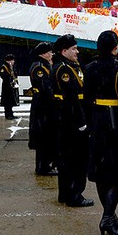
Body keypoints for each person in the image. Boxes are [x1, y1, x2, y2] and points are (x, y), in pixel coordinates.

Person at [85, 31, 118, 235]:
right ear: (115, 48)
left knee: (100, 169)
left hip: (97, 121)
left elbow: (86, 99)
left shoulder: (89, 68)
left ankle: (111, 216)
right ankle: (107, 217)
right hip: (116, 122)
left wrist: (90, 124)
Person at [52, 34, 93, 207]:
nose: (77, 51)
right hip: (71, 120)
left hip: (68, 118)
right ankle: (74, 194)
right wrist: (81, 121)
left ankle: (66, 193)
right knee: (76, 159)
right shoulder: (64, 69)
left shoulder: (69, 66)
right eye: (74, 49)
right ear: (64, 51)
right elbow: (71, 98)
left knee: (67, 159)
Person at [28, 42, 58, 176]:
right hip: (42, 106)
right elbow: (45, 88)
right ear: (44, 53)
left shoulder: (44, 65)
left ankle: (46, 164)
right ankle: (43, 167)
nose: (52, 54)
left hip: (45, 105)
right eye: (50, 52)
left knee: (47, 137)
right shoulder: (39, 68)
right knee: (43, 138)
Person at [0, 54, 20, 120]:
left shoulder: (10, 66)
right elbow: (3, 75)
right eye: (12, 60)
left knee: (11, 101)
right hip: (6, 86)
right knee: (7, 101)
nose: (14, 61)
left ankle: (11, 114)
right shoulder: (4, 67)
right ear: (9, 60)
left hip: (11, 86)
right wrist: (10, 78)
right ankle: (8, 115)